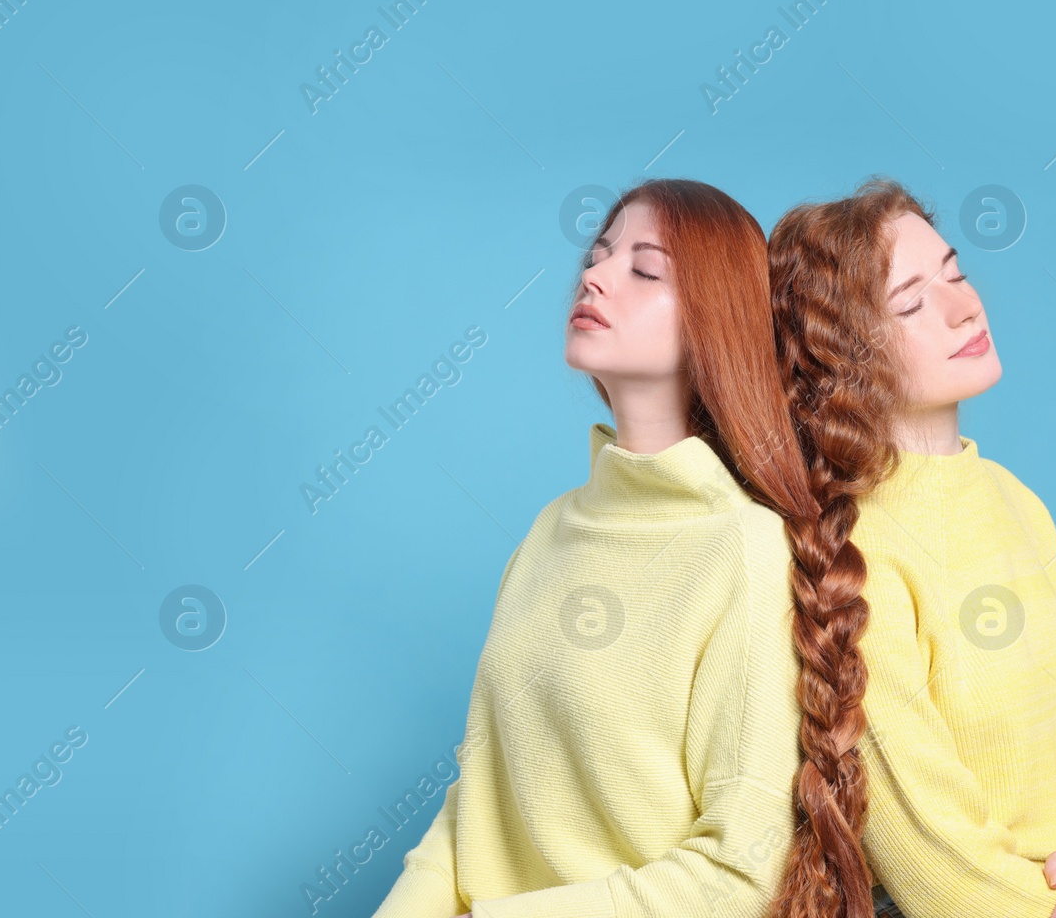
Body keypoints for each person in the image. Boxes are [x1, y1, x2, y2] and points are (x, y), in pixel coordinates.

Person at [370, 179, 875, 918]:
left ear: (716, 320)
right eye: (598, 255)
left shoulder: (741, 551)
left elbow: (739, 872)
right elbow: (478, 801)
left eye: (645, 269)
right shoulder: (550, 532)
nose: (595, 276)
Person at [765, 177, 1056, 918]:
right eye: (911, 302)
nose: (965, 307)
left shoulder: (1013, 498)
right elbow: (938, 866)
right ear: (842, 353)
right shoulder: (851, 550)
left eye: (957, 274)